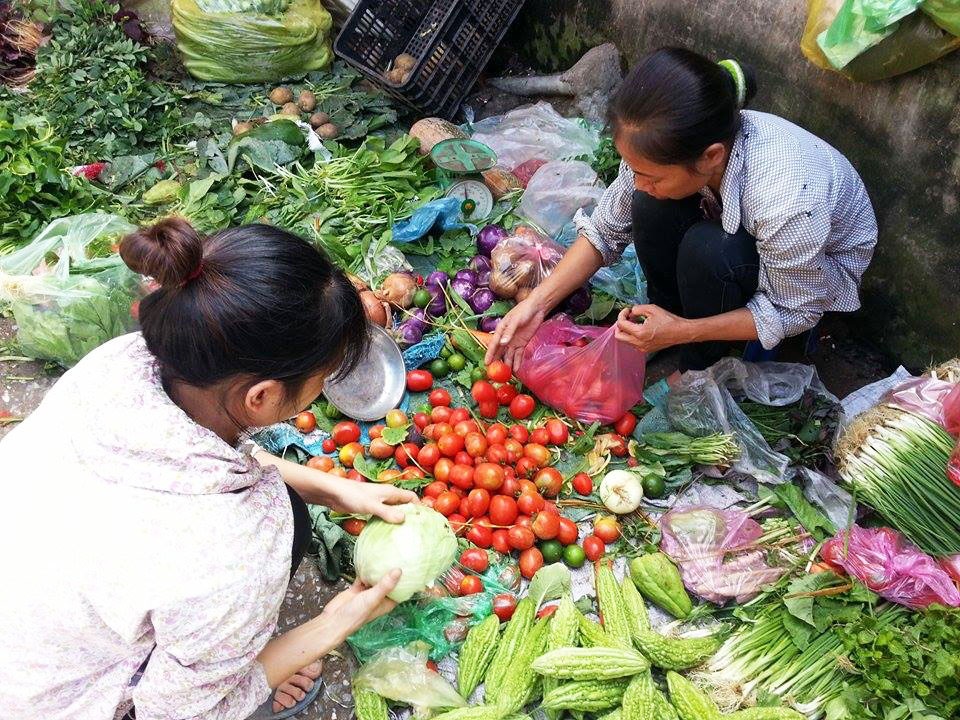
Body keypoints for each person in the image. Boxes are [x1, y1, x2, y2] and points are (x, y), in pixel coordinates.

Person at [0, 218, 416, 719]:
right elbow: (175, 715)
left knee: (292, 513)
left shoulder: (121, 361)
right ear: (261, 397)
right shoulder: (233, 551)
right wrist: (334, 623)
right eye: (322, 379)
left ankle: (209, 651)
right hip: (47, 702)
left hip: (32, 612)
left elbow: (182, 458)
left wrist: (332, 489)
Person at [487, 47, 878, 380]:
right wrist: (536, 304)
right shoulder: (662, 149)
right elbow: (605, 230)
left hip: (811, 274)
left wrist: (686, 332)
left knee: (708, 250)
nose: (637, 180)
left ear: (711, 157)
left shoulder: (787, 201)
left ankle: (701, 363)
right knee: (648, 204)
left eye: (650, 174)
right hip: (737, 220)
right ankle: (663, 318)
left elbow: (794, 310)